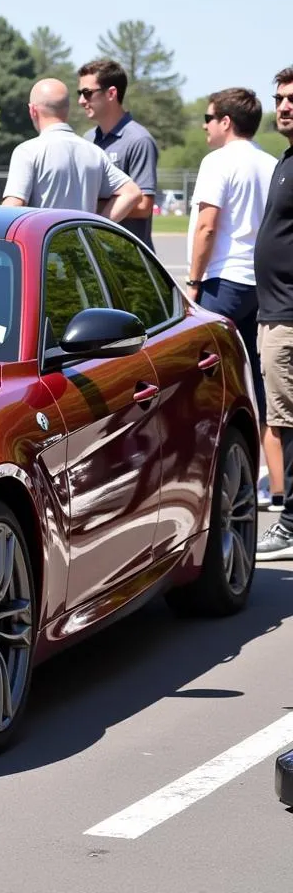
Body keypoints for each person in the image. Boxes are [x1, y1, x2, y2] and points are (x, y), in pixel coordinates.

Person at [185, 88, 279, 510]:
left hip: (223, 281)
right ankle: (273, 486)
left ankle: (211, 477)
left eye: (208, 118)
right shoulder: (271, 163)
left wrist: (193, 279)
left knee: (208, 388)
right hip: (263, 284)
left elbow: (207, 225)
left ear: (226, 121)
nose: (204, 126)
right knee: (263, 387)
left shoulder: (217, 162)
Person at [1, 79, 141, 216]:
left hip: (42, 239)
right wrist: (99, 226)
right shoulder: (95, 152)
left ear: (32, 110)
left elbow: (13, 207)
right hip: (80, 239)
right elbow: (131, 193)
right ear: (67, 111)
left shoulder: (27, 151)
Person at [255, 66, 293, 559]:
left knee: (287, 424)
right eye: (280, 98)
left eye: (292, 99)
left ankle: (289, 524)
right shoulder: (285, 160)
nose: (284, 106)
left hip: (289, 318)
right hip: (275, 313)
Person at [77, 58, 160, 249]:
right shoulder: (87, 140)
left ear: (111, 93)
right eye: (80, 93)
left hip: (128, 258)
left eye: (87, 93)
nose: (81, 101)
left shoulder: (139, 140)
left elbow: (144, 207)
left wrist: (90, 206)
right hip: (95, 255)